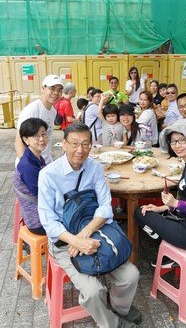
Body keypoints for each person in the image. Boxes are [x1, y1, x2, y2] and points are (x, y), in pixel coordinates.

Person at [38, 123, 141, 328]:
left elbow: (105, 206)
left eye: (85, 144)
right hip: (65, 241)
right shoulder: (49, 175)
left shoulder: (93, 166)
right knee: (94, 291)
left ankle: (120, 309)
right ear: (64, 145)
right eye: (74, 144)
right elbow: (48, 221)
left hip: (93, 231)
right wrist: (75, 240)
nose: (80, 150)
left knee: (131, 276)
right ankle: (112, 323)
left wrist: (85, 235)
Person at [135, 118, 186, 268]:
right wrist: (162, 208)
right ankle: (168, 246)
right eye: (173, 142)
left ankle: (170, 251)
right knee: (150, 210)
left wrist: (175, 203)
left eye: (182, 141)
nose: (177, 145)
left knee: (138, 212)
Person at [15, 74, 64, 165]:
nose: (56, 93)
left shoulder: (52, 110)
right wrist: (26, 167)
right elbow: (19, 142)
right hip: (31, 164)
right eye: (52, 88)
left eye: (59, 90)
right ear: (43, 89)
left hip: (45, 162)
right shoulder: (31, 111)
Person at [13, 118, 48, 236]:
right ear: (25, 139)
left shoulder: (35, 157)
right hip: (39, 222)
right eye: (36, 136)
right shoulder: (27, 165)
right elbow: (43, 196)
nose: (42, 139)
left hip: (41, 214)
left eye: (43, 134)